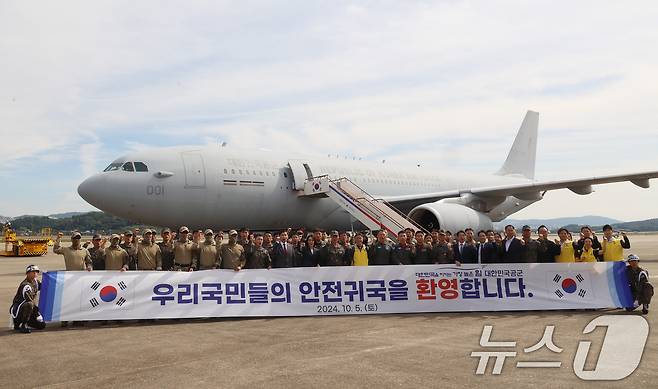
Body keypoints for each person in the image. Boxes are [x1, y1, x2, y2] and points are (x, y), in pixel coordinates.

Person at [9, 265, 46, 333]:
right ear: (27, 273)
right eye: (33, 272)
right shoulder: (25, 285)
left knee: (42, 326)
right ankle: (22, 325)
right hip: (20, 310)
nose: (35, 274)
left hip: (29, 310)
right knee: (29, 304)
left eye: (36, 272)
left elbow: (45, 286)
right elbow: (29, 300)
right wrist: (37, 314)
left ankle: (28, 322)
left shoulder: (35, 282)